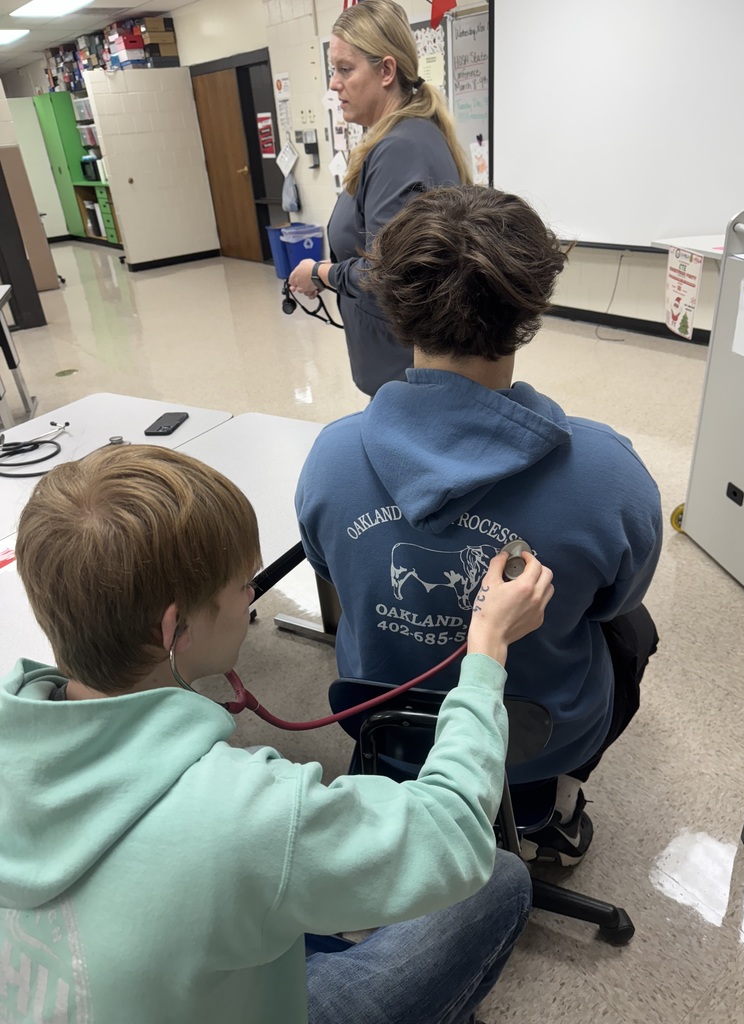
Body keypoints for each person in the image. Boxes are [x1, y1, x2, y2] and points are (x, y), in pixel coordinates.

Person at [0, 443, 554, 1024]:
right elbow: (454, 833)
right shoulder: (245, 815)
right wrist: (489, 644)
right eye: (244, 585)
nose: (252, 597)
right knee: (499, 880)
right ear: (174, 628)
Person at [296, 185, 662, 868]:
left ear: (395, 309)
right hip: (537, 735)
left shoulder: (330, 460)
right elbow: (617, 600)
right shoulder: (612, 475)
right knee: (633, 633)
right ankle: (544, 809)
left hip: (386, 725)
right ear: (529, 309)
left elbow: (330, 570)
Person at [288, 0, 470, 397]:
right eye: (333, 69)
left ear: (386, 70)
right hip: (406, 367)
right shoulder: (408, 136)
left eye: (345, 69)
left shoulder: (400, 148)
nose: (334, 83)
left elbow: (387, 272)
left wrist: (320, 273)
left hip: (406, 374)